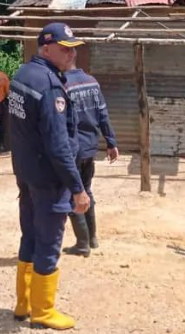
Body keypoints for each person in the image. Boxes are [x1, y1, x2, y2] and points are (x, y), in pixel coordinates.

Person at [9, 22, 91, 330]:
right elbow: (58, 146)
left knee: (29, 235)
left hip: (26, 174)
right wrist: (77, 188)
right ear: (45, 47)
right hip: (47, 178)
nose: (71, 54)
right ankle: (42, 312)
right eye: (64, 48)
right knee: (49, 241)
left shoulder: (22, 75)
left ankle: (23, 304)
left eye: (73, 48)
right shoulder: (50, 85)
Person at [62, 62, 118, 257]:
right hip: (90, 149)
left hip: (73, 150)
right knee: (87, 190)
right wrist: (111, 142)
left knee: (72, 194)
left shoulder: (63, 85)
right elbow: (103, 113)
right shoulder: (92, 82)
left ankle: (82, 243)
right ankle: (92, 238)